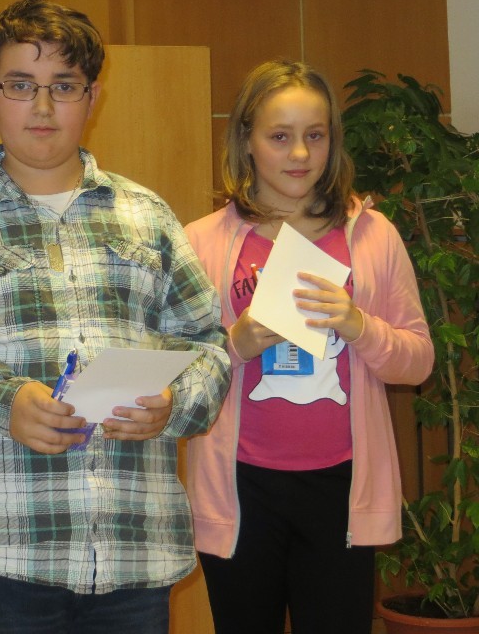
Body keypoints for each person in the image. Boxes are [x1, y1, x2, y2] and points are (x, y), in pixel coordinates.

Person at [0, 0, 231, 633]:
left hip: (132, 562)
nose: (42, 107)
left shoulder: (147, 217)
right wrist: (1, 402)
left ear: (92, 97)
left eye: (63, 86)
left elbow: (209, 347)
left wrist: (174, 402)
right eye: (20, 85)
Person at [184, 59, 434, 634]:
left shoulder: (372, 235)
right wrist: (236, 344)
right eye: (280, 137)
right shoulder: (201, 241)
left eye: (314, 136)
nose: (300, 154)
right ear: (246, 141)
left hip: (341, 486)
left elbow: (418, 360)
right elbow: (179, 377)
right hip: (239, 488)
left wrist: (359, 325)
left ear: (332, 141)